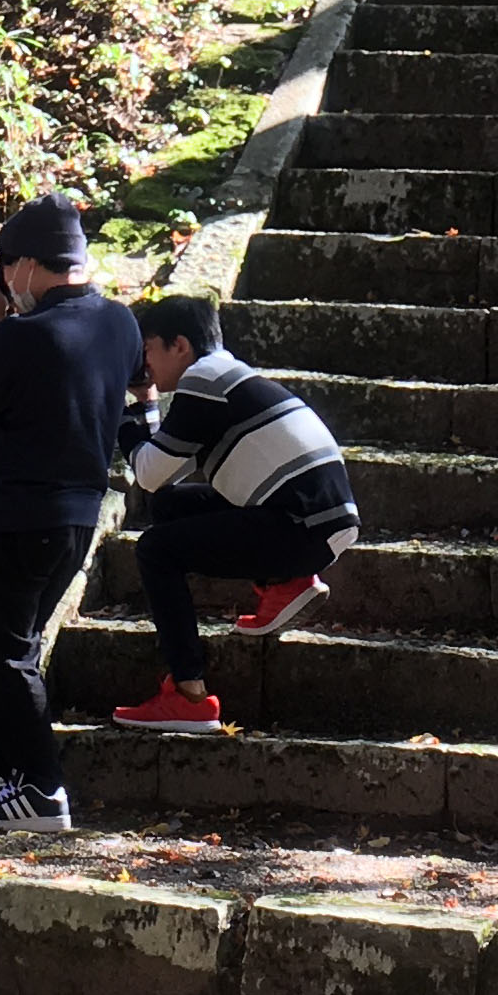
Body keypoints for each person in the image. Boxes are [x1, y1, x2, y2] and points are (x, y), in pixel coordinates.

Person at [0, 192, 142, 832]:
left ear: (25, 264)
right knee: (13, 646)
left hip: (16, 516)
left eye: (8, 266)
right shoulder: (122, 323)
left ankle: (43, 789)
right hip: (77, 516)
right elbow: (140, 385)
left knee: (0, 653)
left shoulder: (24, 333)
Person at [111, 293, 359, 733]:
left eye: (149, 349)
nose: (145, 363)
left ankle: (188, 693)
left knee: (155, 551)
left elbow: (147, 471)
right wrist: (147, 406)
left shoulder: (203, 383)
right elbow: (163, 479)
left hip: (299, 525)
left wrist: (129, 415)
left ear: (180, 346)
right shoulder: (225, 377)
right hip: (315, 517)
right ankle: (285, 581)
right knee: (170, 506)